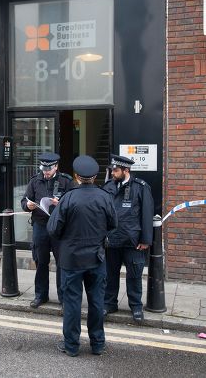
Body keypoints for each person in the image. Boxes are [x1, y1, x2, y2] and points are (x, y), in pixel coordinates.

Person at [47, 155, 117, 357]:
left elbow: (53, 229)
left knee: (72, 303)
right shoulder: (105, 197)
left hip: (71, 260)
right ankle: (97, 344)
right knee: (96, 302)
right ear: (94, 177)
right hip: (96, 258)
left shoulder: (68, 198)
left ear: (77, 176)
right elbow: (114, 225)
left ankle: (71, 346)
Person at [103, 154, 154, 322]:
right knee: (110, 275)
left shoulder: (141, 187)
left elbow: (147, 215)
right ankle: (109, 303)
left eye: (116, 170)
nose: (112, 173)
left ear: (126, 170)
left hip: (133, 241)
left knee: (134, 275)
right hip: (112, 240)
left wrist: (146, 240)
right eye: (111, 170)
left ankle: (136, 307)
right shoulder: (108, 186)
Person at [21, 152, 74, 309]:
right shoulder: (35, 181)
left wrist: (61, 204)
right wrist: (27, 206)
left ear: (56, 167)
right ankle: (40, 295)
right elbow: (24, 201)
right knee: (41, 262)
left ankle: (63, 298)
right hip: (40, 226)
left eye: (48, 170)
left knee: (61, 263)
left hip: (59, 228)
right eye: (43, 169)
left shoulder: (66, 181)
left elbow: (75, 203)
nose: (45, 172)